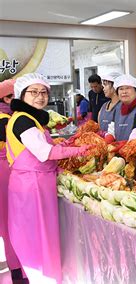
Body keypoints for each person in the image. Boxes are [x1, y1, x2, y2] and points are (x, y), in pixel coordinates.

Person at [6, 73, 89, 283]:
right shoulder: (23, 120)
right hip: (31, 185)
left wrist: (63, 145)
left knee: (39, 234)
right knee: (37, 236)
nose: (40, 97)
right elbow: (45, 153)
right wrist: (82, 150)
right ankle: (44, 277)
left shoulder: (31, 118)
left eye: (43, 92)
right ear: (22, 95)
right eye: (33, 92)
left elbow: (43, 147)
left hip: (36, 181)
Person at [0, 79, 23, 281]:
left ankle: (16, 267)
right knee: (11, 221)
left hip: (8, 170)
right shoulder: (6, 120)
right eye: (12, 97)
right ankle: (18, 267)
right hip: (6, 172)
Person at [104, 74, 136, 143]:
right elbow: (112, 129)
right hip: (118, 151)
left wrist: (128, 147)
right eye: (121, 89)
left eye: (128, 88)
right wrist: (108, 139)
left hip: (135, 150)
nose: (124, 92)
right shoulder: (117, 108)